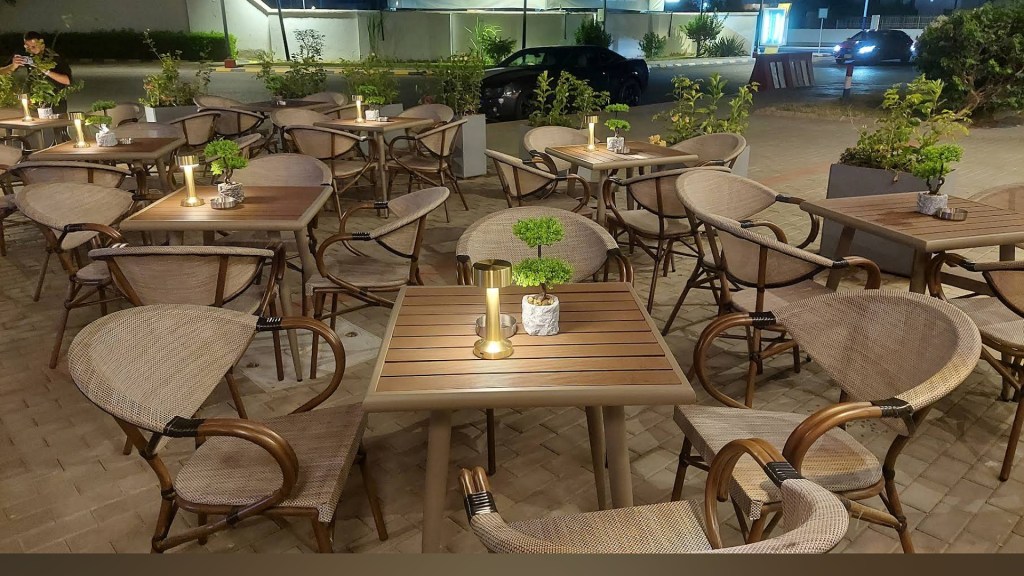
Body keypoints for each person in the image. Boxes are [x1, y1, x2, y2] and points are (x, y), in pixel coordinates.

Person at [0, 31, 74, 114]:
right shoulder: (23, 56)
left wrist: (45, 70)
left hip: (55, 101)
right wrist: (13, 66)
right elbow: (2, 73)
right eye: (27, 47)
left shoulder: (54, 57)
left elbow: (67, 80)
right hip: (33, 101)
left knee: (58, 124)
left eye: (33, 47)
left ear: (42, 44)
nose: (30, 50)